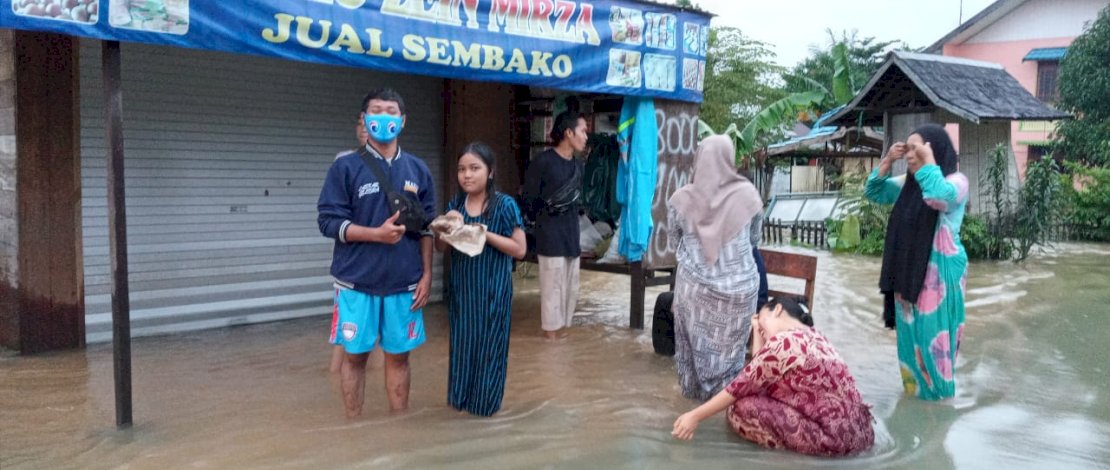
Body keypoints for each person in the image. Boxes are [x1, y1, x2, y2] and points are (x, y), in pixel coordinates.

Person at [317, 88, 437, 417]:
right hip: (356, 283)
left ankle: (398, 425)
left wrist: (427, 275)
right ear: (364, 120)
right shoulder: (345, 168)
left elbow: (427, 227)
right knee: (355, 358)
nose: (384, 117)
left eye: (390, 111)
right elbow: (328, 223)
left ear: (402, 120)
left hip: (405, 283)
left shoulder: (418, 169)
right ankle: (354, 426)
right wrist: (376, 235)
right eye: (376, 111)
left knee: (399, 357)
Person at [672, 297, 875, 457]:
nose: (761, 329)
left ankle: (785, 459)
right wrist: (758, 330)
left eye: (761, 321)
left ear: (777, 310)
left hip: (834, 443)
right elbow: (758, 374)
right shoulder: (818, 337)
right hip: (863, 436)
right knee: (757, 397)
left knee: (739, 409)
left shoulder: (783, 343)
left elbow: (739, 387)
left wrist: (694, 416)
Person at [865, 123, 968, 401]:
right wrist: (888, 160)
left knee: (935, 341)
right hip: (908, 271)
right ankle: (914, 400)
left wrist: (928, 161)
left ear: (935, 149)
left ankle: (942, 402)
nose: (910, 154)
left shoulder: (957, 182)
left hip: (940, 273)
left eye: (916, 148)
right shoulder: (907, 185)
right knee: (910, 342)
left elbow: (939, 197)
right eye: (907, 148)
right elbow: (873, 192)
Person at [433, 142, 527, 416]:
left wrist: (482, 233)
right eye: (462, 169)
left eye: (475, 168)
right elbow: (441, 249)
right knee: (462, 352)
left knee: (490, 352)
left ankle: (485, 413)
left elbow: (519, 250)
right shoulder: (455, 205)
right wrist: (446, 227)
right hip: (463, 294)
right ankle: (459, 411)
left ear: (490, 172)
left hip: (493, 293)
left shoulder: (504, 205)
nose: (467, 175)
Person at [667, 135, 762, 401]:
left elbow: (675, 242)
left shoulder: (680, 199)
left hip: (694, 292)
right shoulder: (749, 196)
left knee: (691, 358)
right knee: (731, 361)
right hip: (740, 294)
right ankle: (725, 407)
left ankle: (691, 407)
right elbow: (754, 241)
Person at [522, 111, 588, 340]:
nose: (586, 137)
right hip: (550, 239)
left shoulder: (579, 166)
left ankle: (561, 348)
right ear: (568, 133)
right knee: (552, 296)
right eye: (583, 131)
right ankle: (551, 347)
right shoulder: (543, 163)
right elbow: (528, 201)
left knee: (570, 295)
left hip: (571, 238)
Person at [330, 116, 384, 374]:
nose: (366, 131)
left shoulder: (397, 164)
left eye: (370, 126)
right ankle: (334, 376)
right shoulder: (344, 162)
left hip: (386, 263)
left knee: (384, 334)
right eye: (362, 127)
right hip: (353, 265)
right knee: (345, 333)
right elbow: (334, 216)